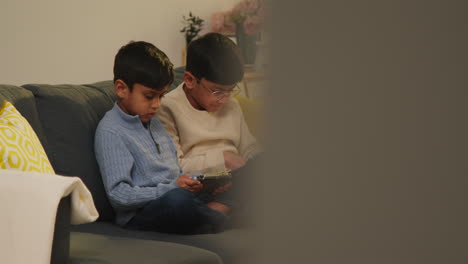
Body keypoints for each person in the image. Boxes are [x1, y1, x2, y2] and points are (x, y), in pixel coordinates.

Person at [94, 41, 233, 234]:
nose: (156, 105)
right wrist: (171, 188)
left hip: (178, 195)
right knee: (177, 202)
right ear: (121, 88)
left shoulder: (153, 121)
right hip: (144, 212)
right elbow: (119, 195)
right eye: (149, 96)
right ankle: (219, 216)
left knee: (243, 185)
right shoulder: (111, 131)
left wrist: (196, 184)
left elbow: (173, 173)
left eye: (161, 96)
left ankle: (211, 215)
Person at [156, 32, 261, 175]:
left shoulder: (232, 104)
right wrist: (224, 160)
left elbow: (249, 148)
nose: (224, 99)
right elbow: (173, 167)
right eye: (217, 91)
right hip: (198, 184)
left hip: (236, 180)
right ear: (190, 80)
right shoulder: (167, 108)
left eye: (230, 90)